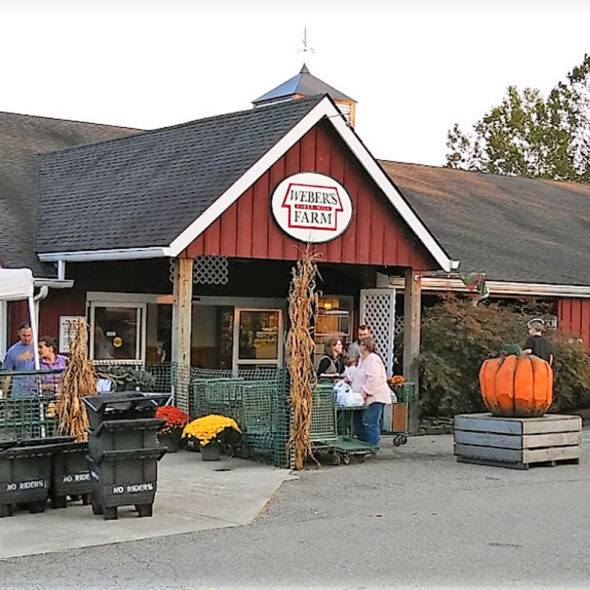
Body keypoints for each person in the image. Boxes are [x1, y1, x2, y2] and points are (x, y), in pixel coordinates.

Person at [351, 337, 392, 447]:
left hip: (374, 397)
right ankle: (362, 445)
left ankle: (372, 446)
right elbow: (359, 375)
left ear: (364, 346)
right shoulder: (362, 359)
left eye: (360, 345)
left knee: (370, 423)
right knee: (358, 423)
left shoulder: (372, 359)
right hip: (361, 397)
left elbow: (374, 378)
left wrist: (366, 392)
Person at [1, 322, 36, 398]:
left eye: (29, 335)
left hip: (35, 390)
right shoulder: (12, 351)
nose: (26, 338)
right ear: (19, 333)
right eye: (24, 336)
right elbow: (8, 374)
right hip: (19, 391)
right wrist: (5, 394)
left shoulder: (37, 348)